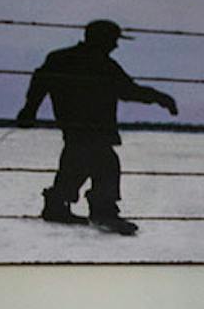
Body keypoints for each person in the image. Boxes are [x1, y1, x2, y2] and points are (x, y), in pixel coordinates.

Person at [16, 18, 179, 237]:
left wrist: (29, 110)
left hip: (75, 126)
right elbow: (130, 91)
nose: (116, 45)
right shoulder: (103, 64)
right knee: (103, 164)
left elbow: (40, 82)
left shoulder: (60, 58)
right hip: (93, 127)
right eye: (113, 40)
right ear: (102, 39)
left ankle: (60, 205)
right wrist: (160, 98)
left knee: (78, 163)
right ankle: (100, 211)